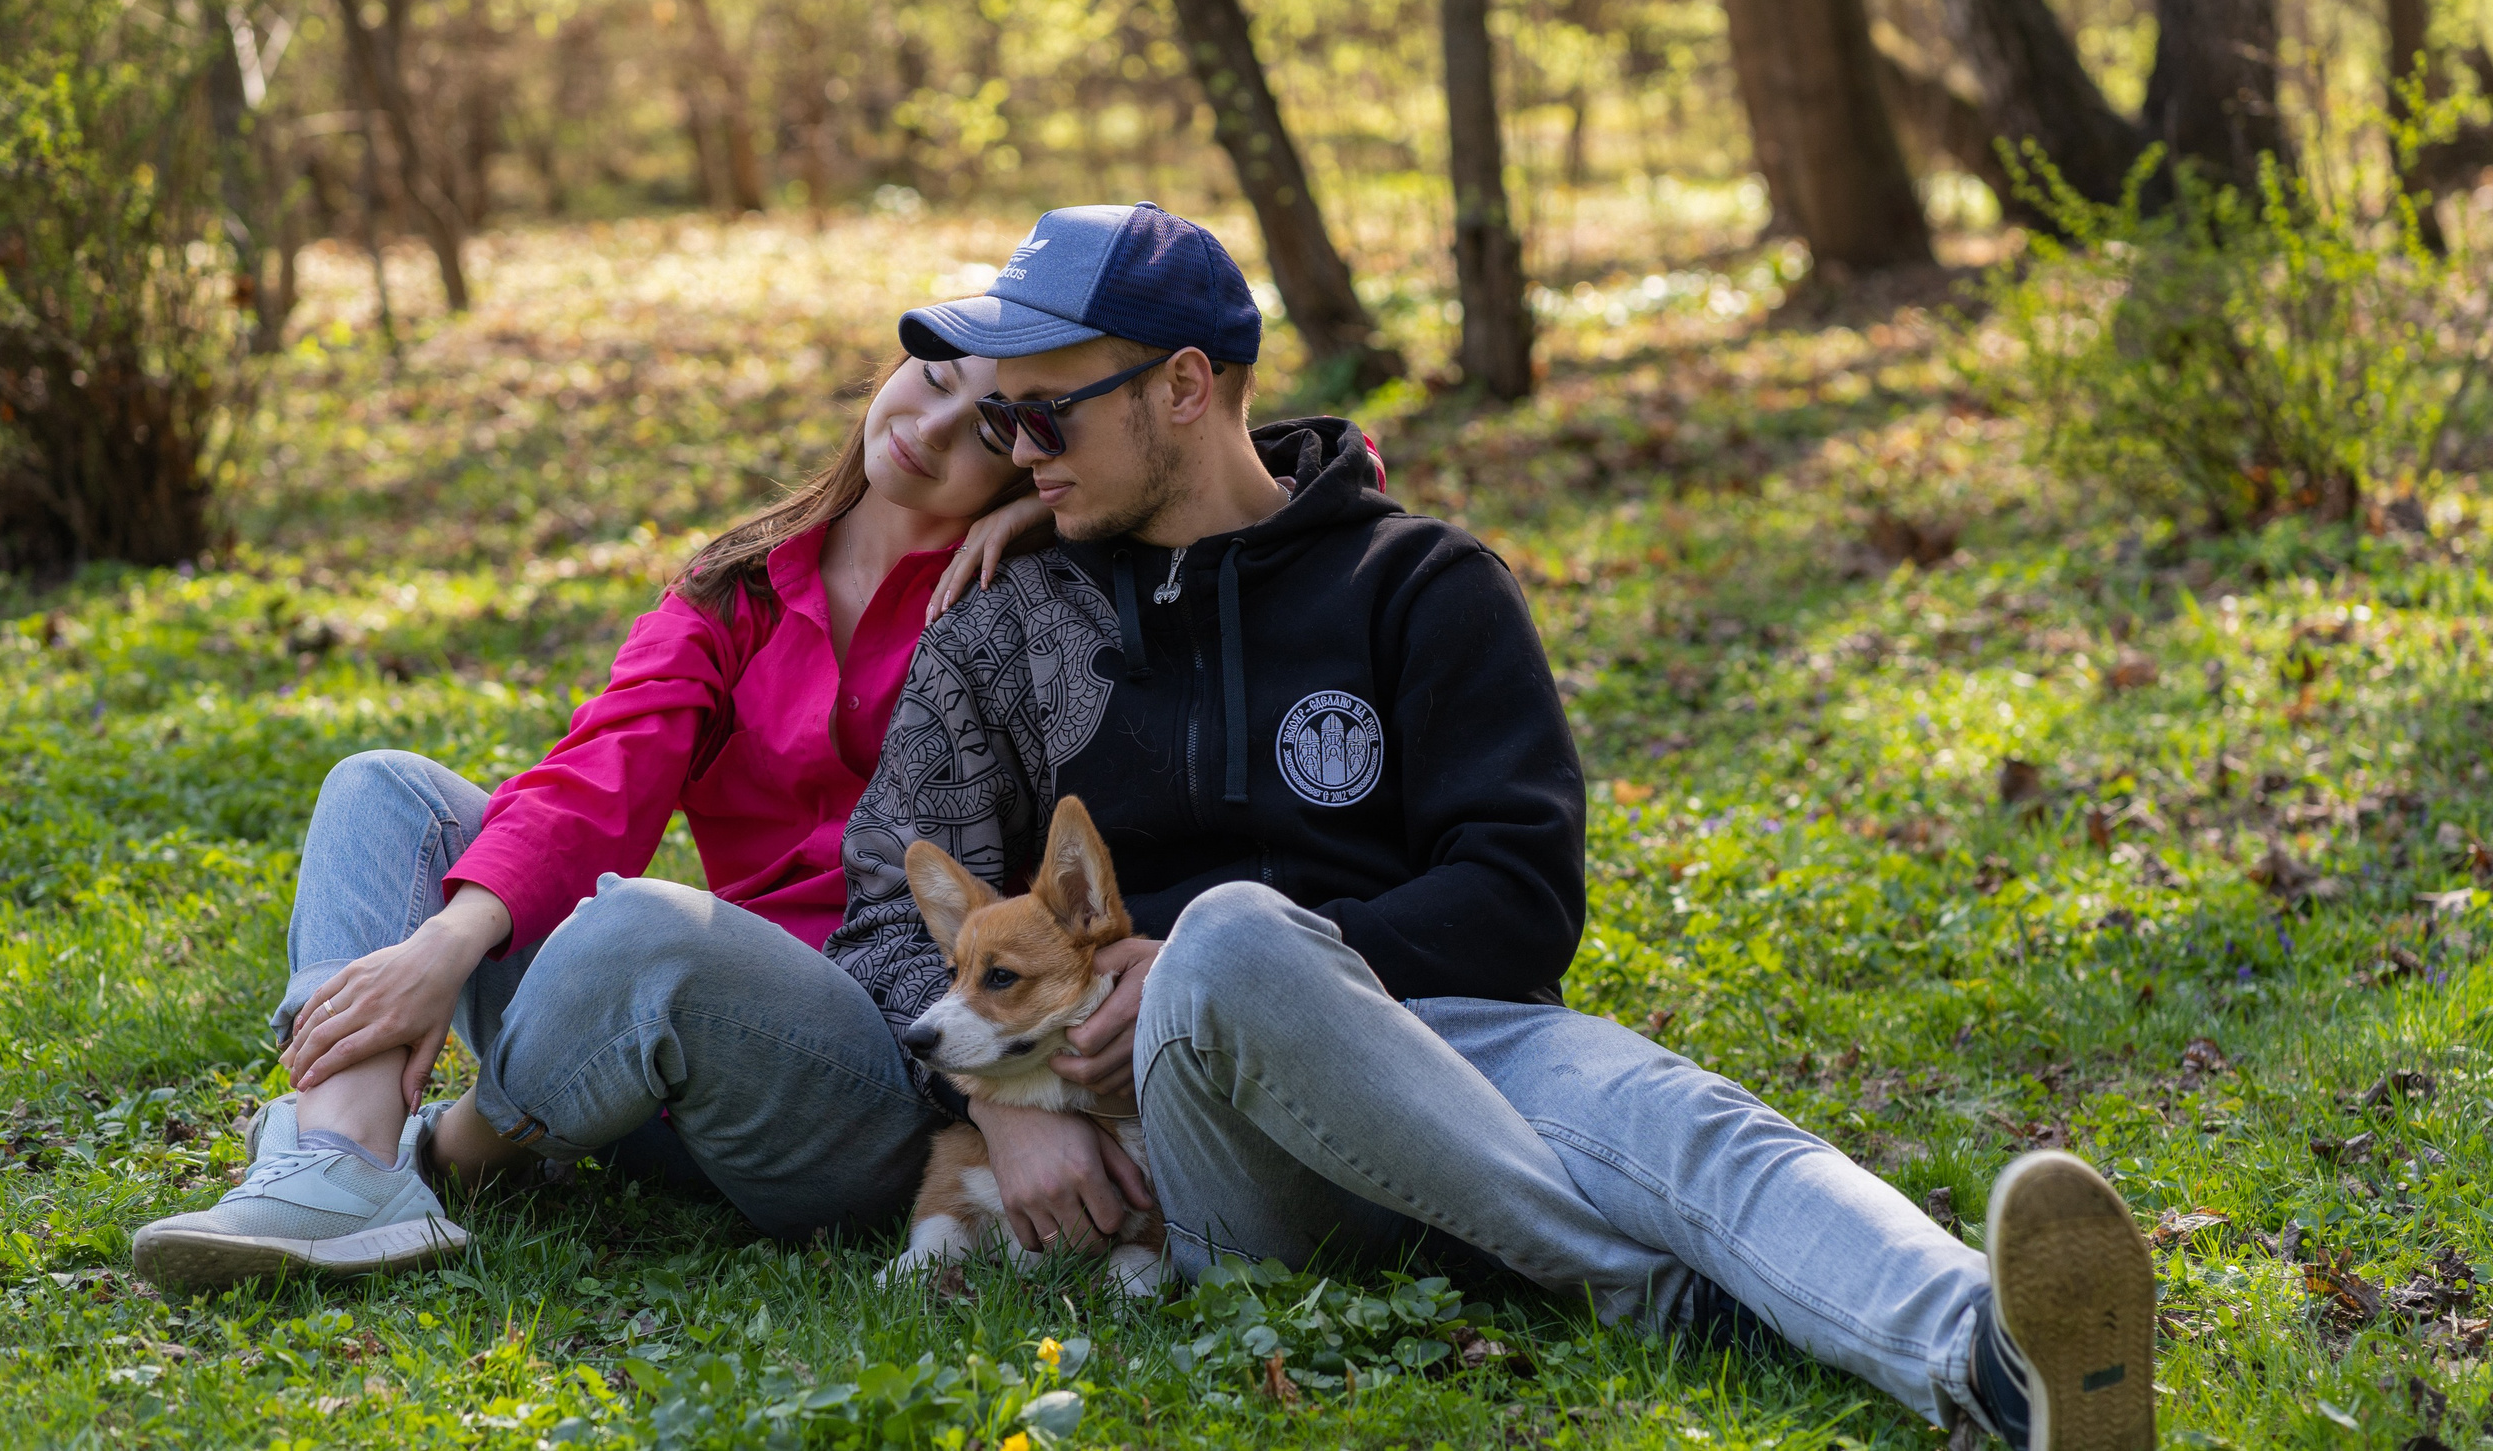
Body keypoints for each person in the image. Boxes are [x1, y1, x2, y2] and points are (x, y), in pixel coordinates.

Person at [827, 200, 2156, 1451]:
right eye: (1007, 426)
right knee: (1228, 934)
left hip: (1453, 1039)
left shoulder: (1420, 584)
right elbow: (888, 907)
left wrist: (1274, 961)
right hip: (1182, 1139)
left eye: (1047, 418)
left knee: (1681, 1111)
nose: (1020, 457)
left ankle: (1989, 1352)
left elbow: (1520, 898)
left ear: (1184, 385)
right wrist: (1000, 1103)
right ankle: (1639, 1287)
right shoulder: (1006, 624)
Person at [131, 351, 1051, 1293]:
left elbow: (1191, 529)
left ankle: (447, 1153)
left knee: (649, 929)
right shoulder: (745, 582)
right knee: (385, 790)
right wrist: (447, 942)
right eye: (933, 376)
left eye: (988, 427)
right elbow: (604, 769)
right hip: (656, 1064)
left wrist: (1051, 523)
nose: (932, 426)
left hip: (862, 1082)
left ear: (1028, 461)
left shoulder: (1028, 600)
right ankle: (341, 1151)